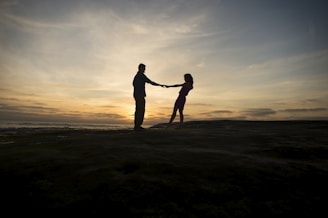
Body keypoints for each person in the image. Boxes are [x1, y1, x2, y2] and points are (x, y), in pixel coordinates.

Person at [133, 63, 164, 131]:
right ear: (140, 68)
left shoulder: (137, 76)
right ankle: (137, 126)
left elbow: (134, 84)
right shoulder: (140, 75)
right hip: (139, 95)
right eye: (144, 68)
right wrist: (159, 85)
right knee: (140, 110)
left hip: (137, 95)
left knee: (139, 110)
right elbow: (150, 81)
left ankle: (137, 126)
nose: (144, 70)